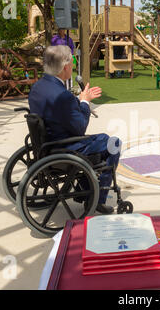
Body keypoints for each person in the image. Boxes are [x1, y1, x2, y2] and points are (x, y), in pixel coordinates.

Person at [28, 45, 121, 214]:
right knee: (113, 143)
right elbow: (79, 128)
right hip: (64, 148)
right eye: (72, 63)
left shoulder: (38, 87)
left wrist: (78, 99)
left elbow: (58, 111)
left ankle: (83, 189)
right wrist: (84, 102)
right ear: (65, 67)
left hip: (45, 145)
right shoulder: (62, 95)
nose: (72, 66)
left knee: (101, 140)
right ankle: (97, 199)